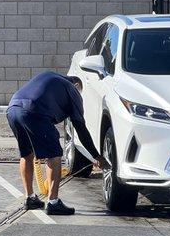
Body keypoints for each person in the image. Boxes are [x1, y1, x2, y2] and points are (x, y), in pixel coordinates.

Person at [7, 71, 108, 215]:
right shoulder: (72, 88)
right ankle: (53, 202)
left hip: (13, 109)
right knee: (54, 155)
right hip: (35, 111)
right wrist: (96, 156)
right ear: (77, 85)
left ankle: (30, 198)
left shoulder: (49, 76)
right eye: (80, 92)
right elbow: (80, 128)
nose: (79, 95)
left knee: (26, 154)